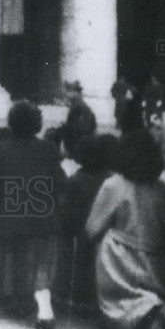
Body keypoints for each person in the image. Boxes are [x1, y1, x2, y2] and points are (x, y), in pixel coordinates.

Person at [86, 128, 165, 329]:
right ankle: (155, 311)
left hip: (119, 265)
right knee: (151, 295)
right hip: (157, 266)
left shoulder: (114, 185)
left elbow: (91, 229)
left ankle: (138, 318)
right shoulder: (164, 190)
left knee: (118, 308)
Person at [0, 100, 65, 329]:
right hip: (43, 219)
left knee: (15, 261)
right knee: (41, 263)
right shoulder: (49, 150)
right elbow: (61, 185)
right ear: (37, 124)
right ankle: (44, 306)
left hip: (10, 220)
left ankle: (17, 300)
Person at [54, 133, 116, 315]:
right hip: (104, 228)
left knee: (77, 264)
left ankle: (74, 297)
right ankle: (93, 299)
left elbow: (67, 207)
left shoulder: (76, 178)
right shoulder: (109, 177)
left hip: (78, 227)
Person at [59, 80, 97, 163]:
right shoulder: (76, 105)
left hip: (81, 147)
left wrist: (66, 127)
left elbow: (84, 129)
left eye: (68, 92)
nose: (66, 96)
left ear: (76, 93)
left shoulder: (82, 107)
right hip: (77, 145)